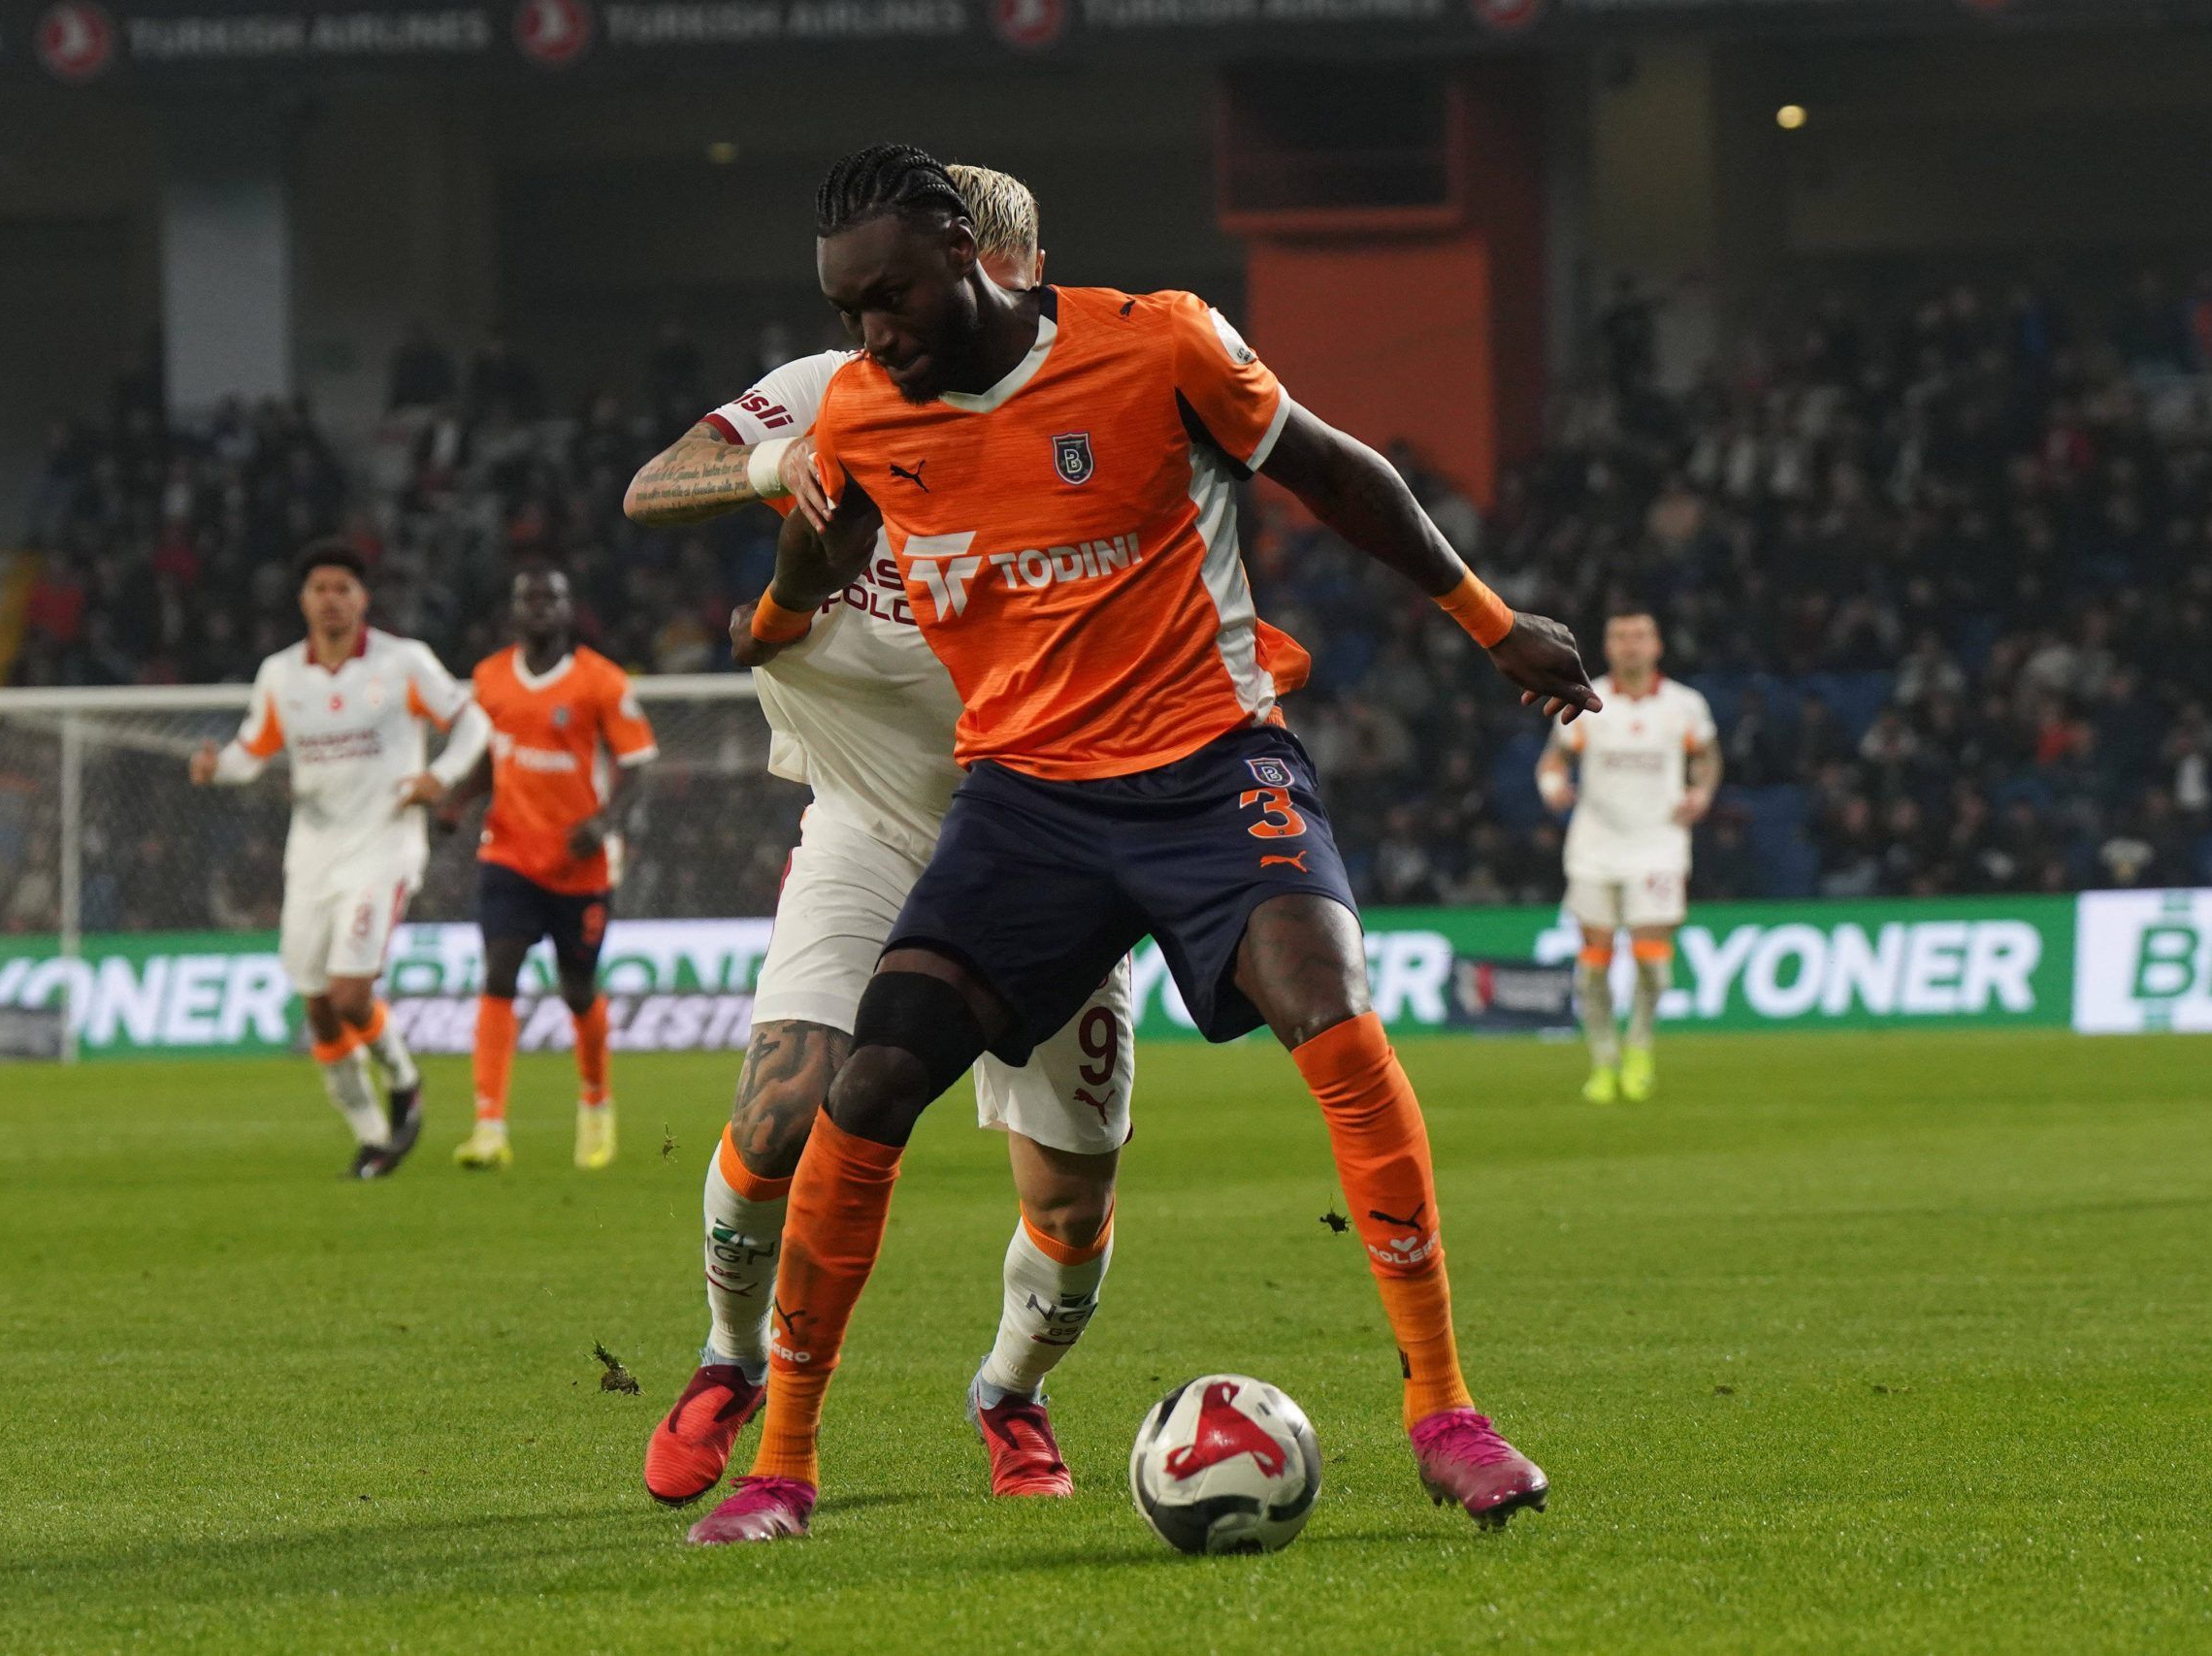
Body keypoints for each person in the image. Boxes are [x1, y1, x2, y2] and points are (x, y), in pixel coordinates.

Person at [687, 144, 1597, 1546]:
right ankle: (784, 1464)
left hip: (1212, 765)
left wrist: (1492, 623)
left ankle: (1448, 1412)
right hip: (1026, 802)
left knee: (1336, 1013)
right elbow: (817, 559)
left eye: (888, 296)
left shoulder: (1156, 341)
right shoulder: (864, 412)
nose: (868, 331)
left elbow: (1339, 474)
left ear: (961, 252)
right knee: (868, 1087)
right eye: (846, 306)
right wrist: (781, 594)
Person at [625, 164, 1144, 1507]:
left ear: (1021, 270)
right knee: (784, 1102)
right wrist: (772, 463)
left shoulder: (1092, 407)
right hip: (867, 821)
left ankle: (1011, 1392)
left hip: (1052, 832)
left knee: (1071, 1197)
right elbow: (651, 484)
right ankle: (730, 1355)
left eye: (1000, 268)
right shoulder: (823, 390)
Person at [188, 540, 488, 1178]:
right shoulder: (280, 674)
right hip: (313, 852)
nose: (331, 598)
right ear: (303, 600)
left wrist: (440, 775)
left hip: (385, 843)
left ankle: (405, 1081)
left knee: (352, 992)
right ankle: (374, 1134)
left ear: (362, 598)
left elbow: (473, 725)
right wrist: (218, 769)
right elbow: (252, 749)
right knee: (318, 1003)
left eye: (342, 587)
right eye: (319, 587)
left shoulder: (403, 662)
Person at [449, 568, 658, 1173]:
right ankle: (488, 1126)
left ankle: (595, 1103)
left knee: (576, 988)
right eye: (528, 599)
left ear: (570, 611)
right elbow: (492, 757)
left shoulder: (601, 681)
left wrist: (605, 822)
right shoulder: (489, 679)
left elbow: (638, 765)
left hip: (580, 865)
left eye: (552, 599)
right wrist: (458, 802)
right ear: (513, 612)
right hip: (508, 852)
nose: (539, 608)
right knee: (499, 972)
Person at [1535, 610, 1720, 1104]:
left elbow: (1706, 757)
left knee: (1652, 964)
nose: (1630, 645)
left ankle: (1639, 1046)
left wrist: (1701, 793)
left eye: (1639, 636)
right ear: (1608, 646)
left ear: (1657, 645)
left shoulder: (1685, 705)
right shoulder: (1586, 700)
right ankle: (1603, 1060)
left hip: (1659, 844)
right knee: (1593, 963)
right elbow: (1555, 758)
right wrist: (1552, 785)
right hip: (1595, 846)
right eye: (1620, 636)